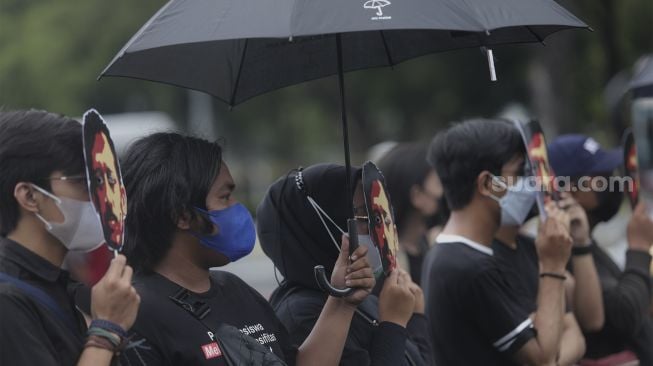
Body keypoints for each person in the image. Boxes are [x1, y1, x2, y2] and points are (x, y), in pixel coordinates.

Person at [118, 133, 375, 366]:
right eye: (225, 197)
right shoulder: (137, 314)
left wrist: (341, 301)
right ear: (182, 215)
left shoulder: (236, 290)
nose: (237, 209)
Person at [423, 118, 573, 365]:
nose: (530, 184)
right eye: (518, 173)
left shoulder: (449, 254)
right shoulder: (471, 267)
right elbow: (544, 358)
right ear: (486, 184)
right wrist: (553, 265)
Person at [0, 109, 140, 365]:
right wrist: (106, 329)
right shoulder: (7, 298)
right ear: (30, 196)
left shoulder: (58, 284)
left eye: (102, 183)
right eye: (84, 183)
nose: (100, 198)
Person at [257, 163, 433, 366]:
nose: (378, 230)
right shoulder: (303, 315)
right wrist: (393, 323)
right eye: (364, 217)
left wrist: (416, 317)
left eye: (380, 215)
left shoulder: (363, 294)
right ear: (317, 228)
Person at [548, 134, 653, 364]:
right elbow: (621, 316)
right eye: (601, 178)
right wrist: (639, 249)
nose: (613, 182)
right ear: (567, 191)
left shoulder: (587, 243)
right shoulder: (560, 249)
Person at [493, 190, 602, 365]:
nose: (527, 188)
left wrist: (581, 244)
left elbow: (576, 337)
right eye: (516, 173)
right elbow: (540, 351)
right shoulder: (486, 262)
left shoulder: (529, 246)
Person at [377, 143, 444, 284]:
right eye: (438, 183)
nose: (443, 192)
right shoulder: (388, 266)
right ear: (417, 196)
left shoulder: (433, 244)